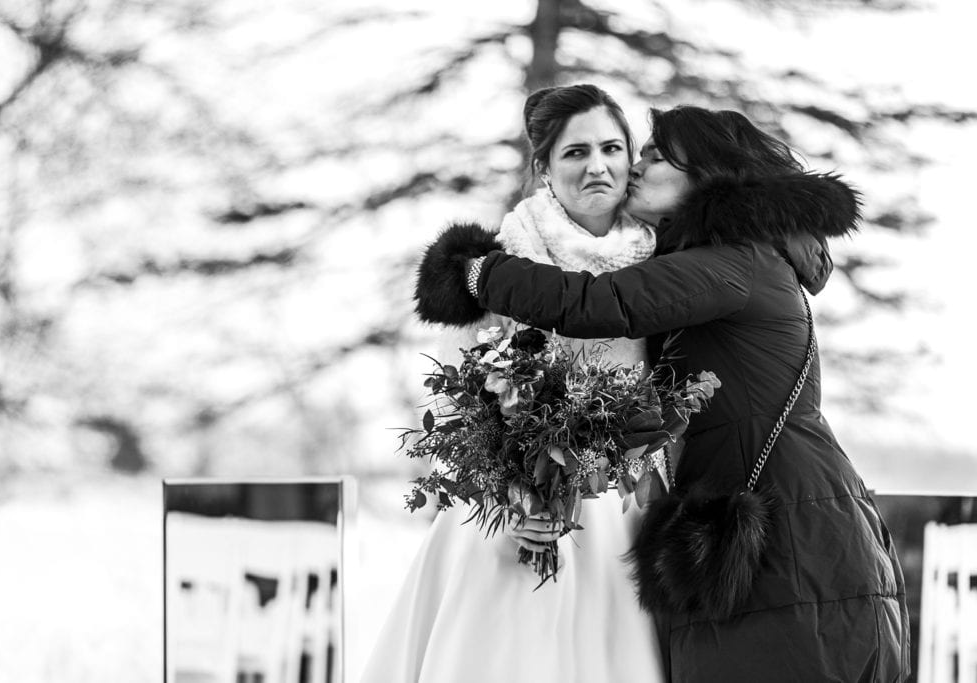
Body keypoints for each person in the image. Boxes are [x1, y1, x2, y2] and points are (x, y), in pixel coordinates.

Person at [416, 105, 910, 682]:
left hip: (783, 531)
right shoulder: (714, 259)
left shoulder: (733, 260)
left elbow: (599, 304)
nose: (636, 168)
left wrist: (475, 272)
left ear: (705, 173)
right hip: (763, 519)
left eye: (655, 156)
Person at [360, 85, 665, 682]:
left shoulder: (664, 261)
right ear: (543, 169)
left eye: (610, 147)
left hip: (619, 513)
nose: (596, 166)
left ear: (632, 159)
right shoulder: (500, 262)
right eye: (574, 152)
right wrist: (514, 496)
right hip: (511, 515)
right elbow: (457, 402)